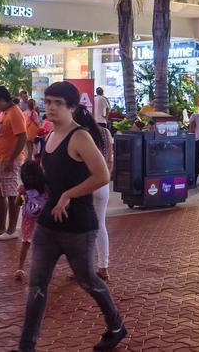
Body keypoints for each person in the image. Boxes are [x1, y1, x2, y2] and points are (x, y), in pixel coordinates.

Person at [17, 81, 126, 352]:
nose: (51, 107)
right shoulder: (50, 134)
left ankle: (116, 326)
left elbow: (102, 176)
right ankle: (25, 347)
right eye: (48, 101)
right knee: (37, 286)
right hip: (48, 225)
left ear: (73, 108)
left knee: (88, 279)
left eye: (58, 103)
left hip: (78, 226)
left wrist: (68, 195)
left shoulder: (80, 136)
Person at [0, 85, 28, 241]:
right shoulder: (3, 113)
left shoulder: (15, 113)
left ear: (3, 100)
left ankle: (11, 229)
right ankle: (1, 225)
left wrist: (12, 159)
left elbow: (22, 136)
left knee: (11, 193)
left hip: (9, 159)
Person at [15, 160, 49, 282]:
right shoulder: (45, 187)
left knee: (26, 242)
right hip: (44, 219)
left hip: (28, 220)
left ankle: (20, 268)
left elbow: (17, 203)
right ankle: (43, 268)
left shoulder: (23, 188)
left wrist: (24, 198)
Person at [91, 116, 114, 281]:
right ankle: (103, 267)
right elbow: (110, 160)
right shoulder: (106, 133)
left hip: (87, 183)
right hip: (103, 183)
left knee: (82, 228)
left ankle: (81, 266)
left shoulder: (82, 135)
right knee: (100, 225)